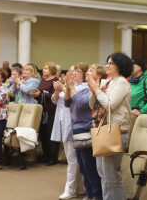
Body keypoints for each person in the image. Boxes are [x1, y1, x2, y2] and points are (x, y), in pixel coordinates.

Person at [88, 52, 133, 200]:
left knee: (111, 175)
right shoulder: (108, 82)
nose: (106, 65)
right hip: (103, 129)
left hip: (116, 131)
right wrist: (93, 90)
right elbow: (92, 105)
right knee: (103, 173)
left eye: (110, 63)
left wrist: (96, 90)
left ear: (119, 66)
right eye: (106, 62)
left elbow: (110, 105)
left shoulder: (122, 82)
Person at [65, 63, 103, 200]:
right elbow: (67, 103)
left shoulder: (92, 89)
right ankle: (89, 194)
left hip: (87, 128)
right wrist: (69, 88)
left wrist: (70, 87)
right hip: (77, 128)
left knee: (90, 166)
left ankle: (97, 195)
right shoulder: (79, 87)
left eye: (90, 71)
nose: (87, 73)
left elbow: (81, 103)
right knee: (82, 166)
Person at [51, 66, 85, 200]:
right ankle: (80, 187)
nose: (73, 74)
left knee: (72, 160)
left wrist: (64, 88)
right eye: (72, 71)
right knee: (72, 159)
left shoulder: (83, 86)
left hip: (73, 124)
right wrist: (57, 89)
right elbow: (55, 100)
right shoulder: (68, 85)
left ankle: (70, 190)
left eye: (76, 72)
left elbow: (75, 99)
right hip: (62, 122)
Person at [30, 62, 59, 166]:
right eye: (43, 68)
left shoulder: (55, 81)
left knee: (50, 134)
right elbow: (40, 93)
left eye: (46, 68)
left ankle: (52, 158)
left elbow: (54, 96)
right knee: (43, 135)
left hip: (51, 111)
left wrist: (40, 94)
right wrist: (35, 95)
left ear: (51, 70)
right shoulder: (42, 80)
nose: (43, 70)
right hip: (41, 110)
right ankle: (45, 156)